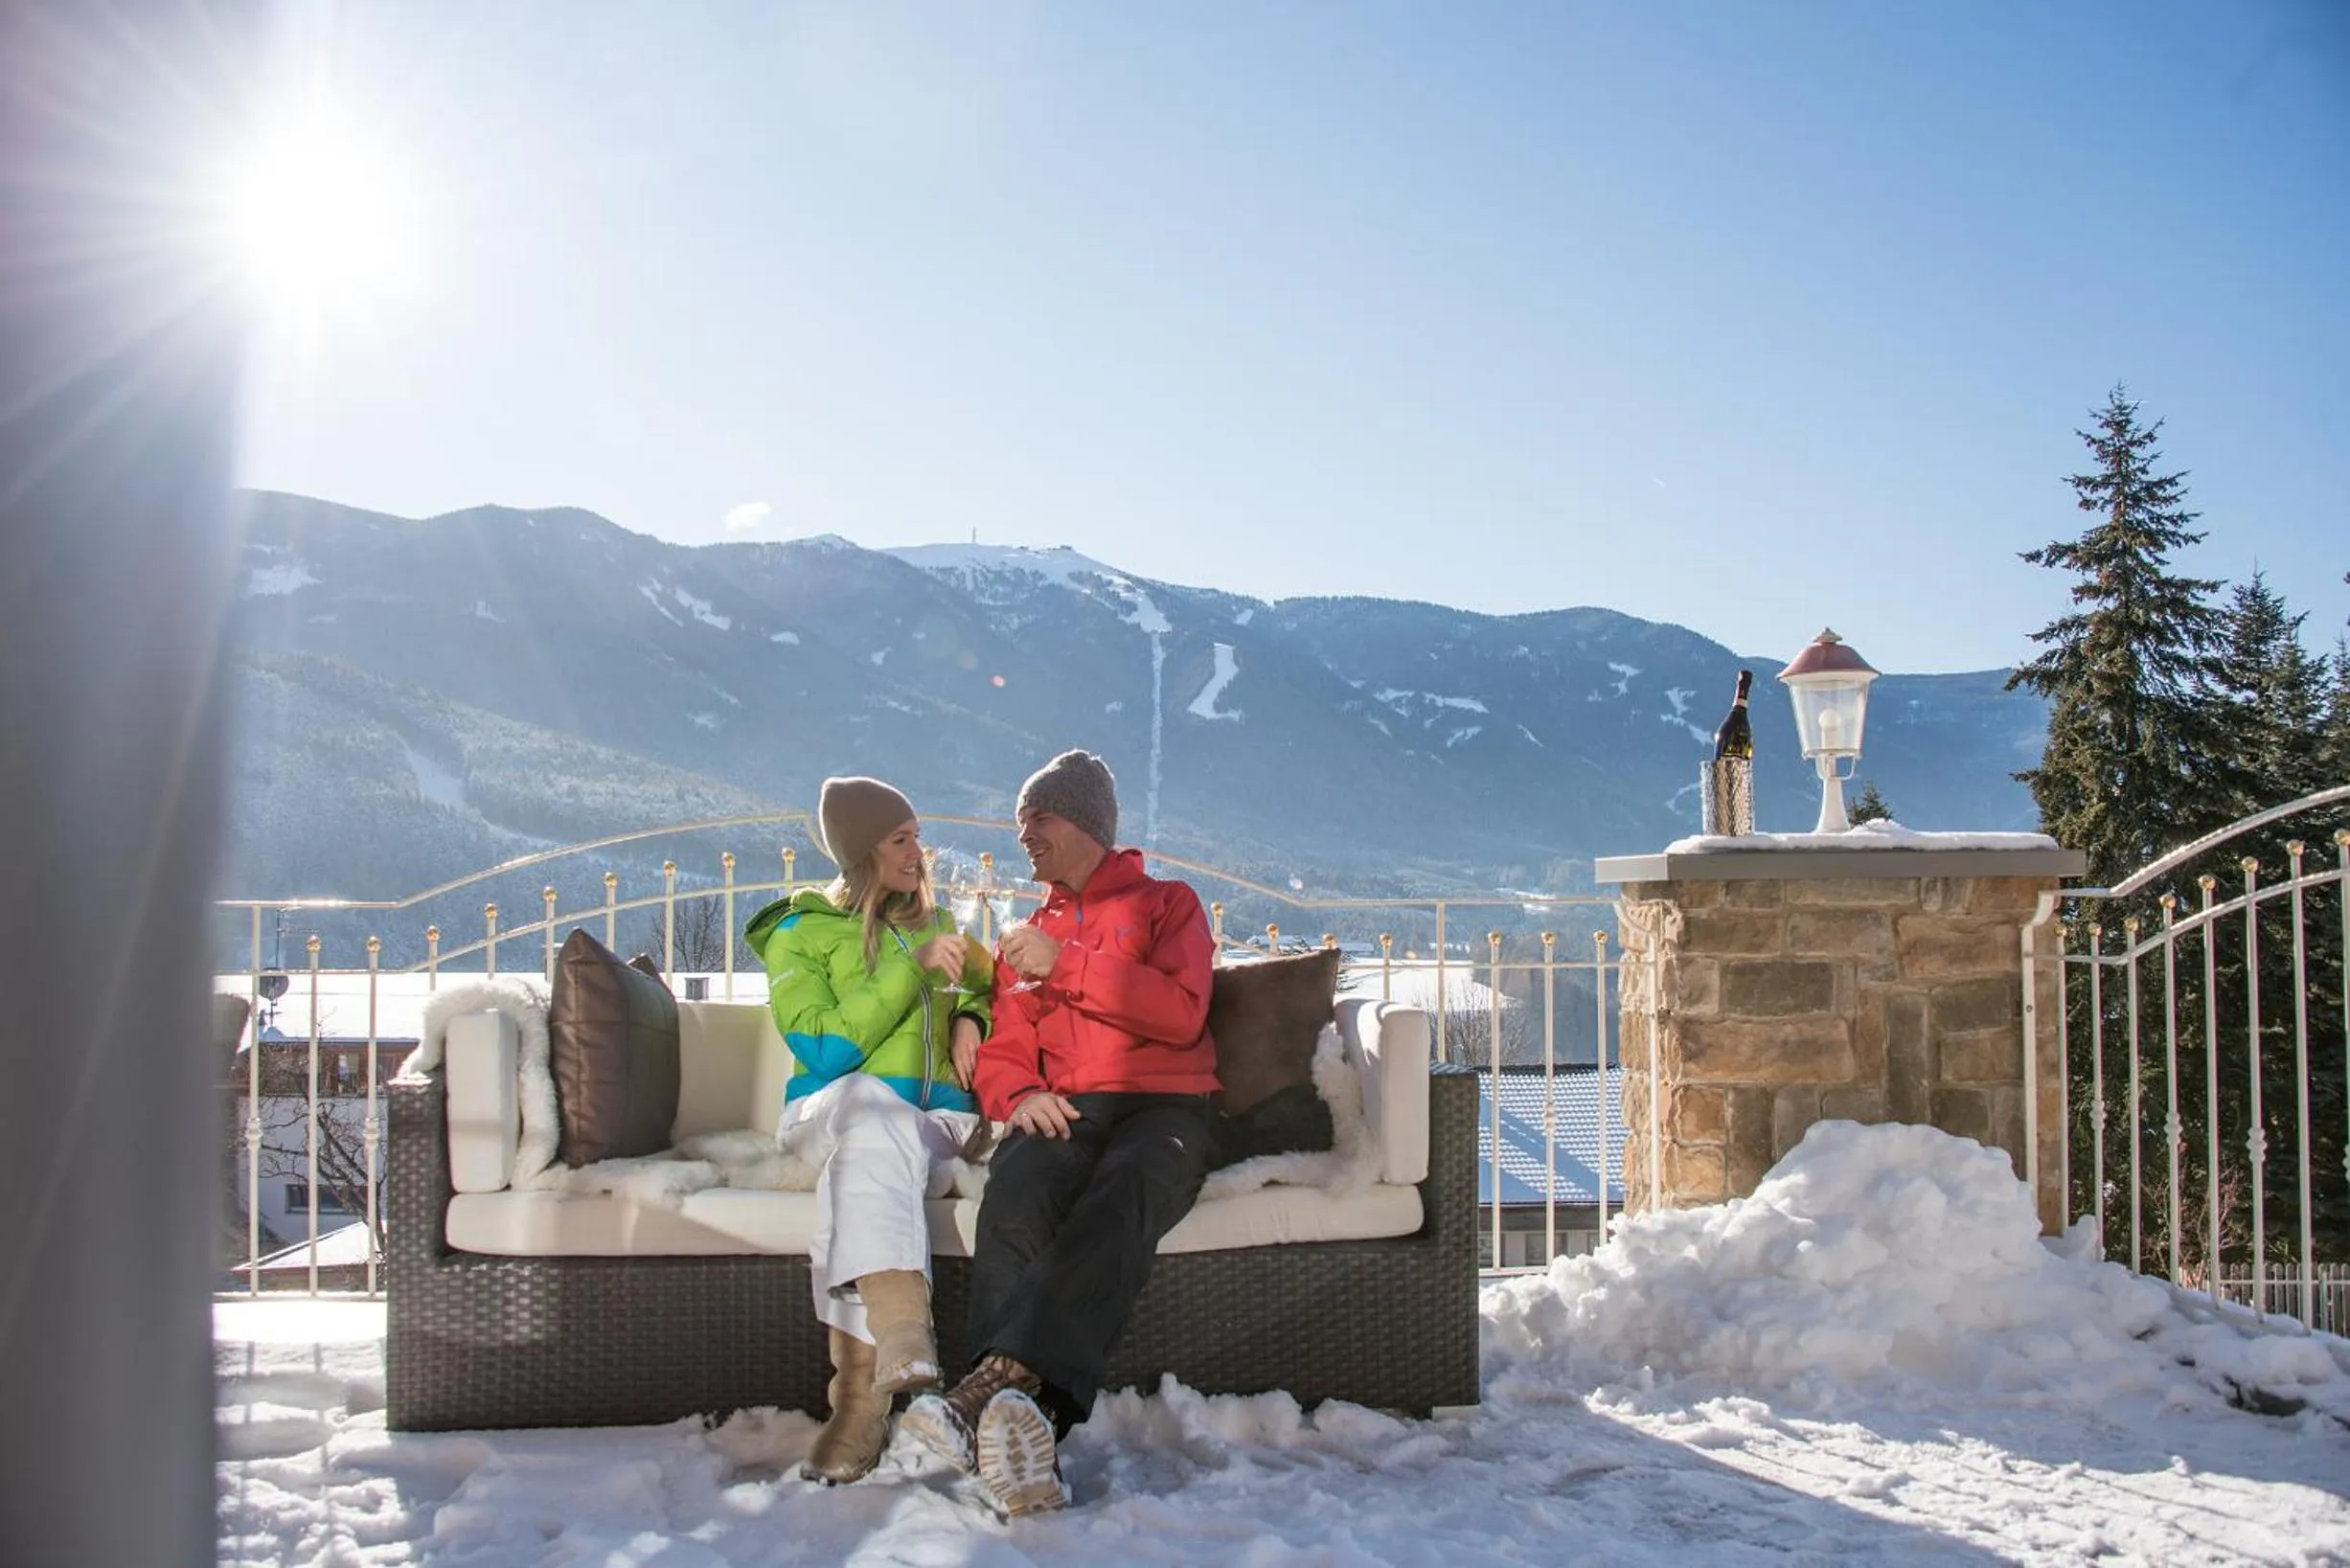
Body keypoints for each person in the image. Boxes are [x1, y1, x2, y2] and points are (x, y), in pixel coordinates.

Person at [901, 749, 1219, 1515]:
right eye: (1020, 821)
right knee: (1014, 1192)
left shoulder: (1166, 903)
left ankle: (986, 1390)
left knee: (1122, 1196)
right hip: (1064, 1107)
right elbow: (1005, 1047)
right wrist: (1018, 1092)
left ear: (1083, 821)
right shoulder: (1023, 939)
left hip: (1165, 1106)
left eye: (1036, 818)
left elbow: (1180, 1013)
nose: (1023, 836)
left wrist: (1066, 963)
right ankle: (1027, 1433)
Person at [743, 776, 992, 1485]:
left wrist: (974, 1016)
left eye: (918, 835)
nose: (919, 851)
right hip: (829, 1108)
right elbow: (824, 1050)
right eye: (901, 838)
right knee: (867, 1107)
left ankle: (859, 1403)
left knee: (867, 1159)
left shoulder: (938, 924)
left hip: (932, 1120)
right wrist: (906, 976)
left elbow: (986, 985)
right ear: (862, 852)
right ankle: (901, 1328)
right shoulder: (800, 937)